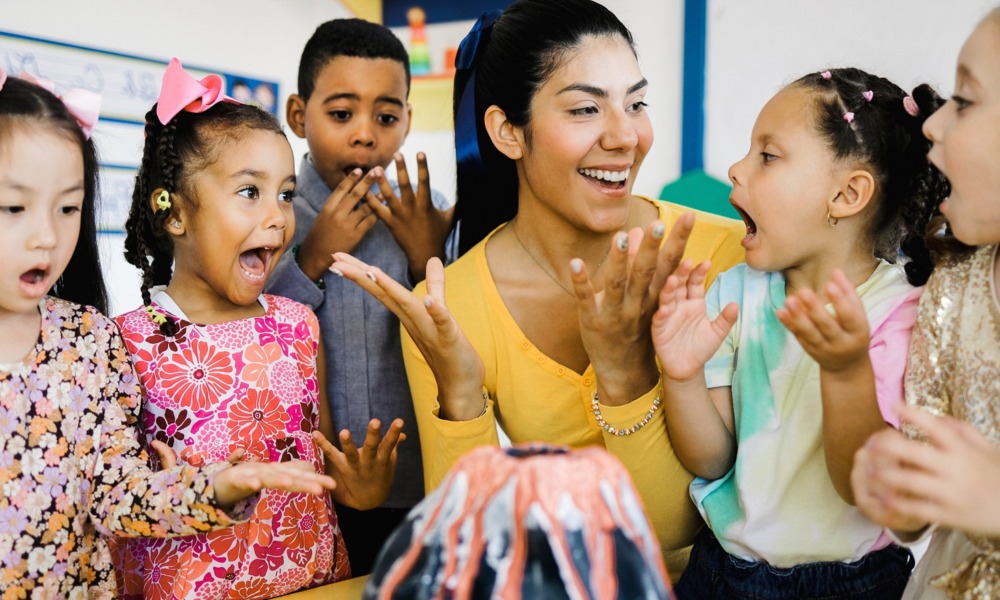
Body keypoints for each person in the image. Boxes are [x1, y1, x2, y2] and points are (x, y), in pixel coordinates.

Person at [328, 0, 746, 578]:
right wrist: (462, 396)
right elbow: (465, 547)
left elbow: (675, 534)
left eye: (636, 103)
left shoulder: (725, 257)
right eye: (584, 108)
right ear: (507, 132)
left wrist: (626, 369)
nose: (626, 136)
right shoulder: (452, 306)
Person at [0, 69, 338, 598]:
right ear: (171, 211)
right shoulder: (130, 338)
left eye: (68, 207)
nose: (46, 235)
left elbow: (117, 494)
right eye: (14, 207)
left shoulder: (87, 339)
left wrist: (211, 488)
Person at [651, 67, 948, 599]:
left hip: (850, 582)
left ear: (846, 195)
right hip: (721, 569)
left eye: (767, 155)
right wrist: (681, 375)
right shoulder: (732, 292)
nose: (735, 170)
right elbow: (713, 459)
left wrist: (845, 369)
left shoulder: (900, 312)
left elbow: (862, 488)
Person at [112, 58, 404, 599]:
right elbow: (116, 504)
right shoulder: (125, 343)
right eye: (251, 192)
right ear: (173, 213)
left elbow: (323, 469)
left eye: (287, 194)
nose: (278, 216)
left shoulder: (297, 325)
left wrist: (361, 488)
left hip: (317, 585)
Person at [265, 18, 453, 574]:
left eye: (387, 116)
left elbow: (460, 336)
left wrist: (426, 257)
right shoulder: (276, 216)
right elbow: (254, 328)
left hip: (419, 478)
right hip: (313, 486)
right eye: (341, 114)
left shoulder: (427, 210)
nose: (366, 134)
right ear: (300, 116)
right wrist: (312, 255)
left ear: (407, 121)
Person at [851, 8, 1000, 599]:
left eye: (965, 100)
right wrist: (891, 483)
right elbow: (914, 516)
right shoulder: (954, 286)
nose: (934, 124)